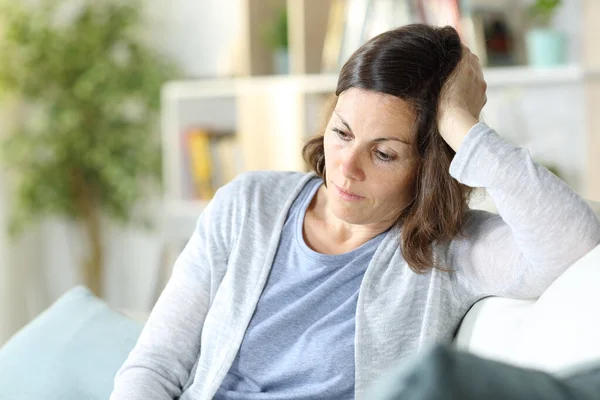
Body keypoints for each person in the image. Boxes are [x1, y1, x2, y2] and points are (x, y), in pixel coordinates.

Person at [110, 24, 600, 400]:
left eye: (383, 153)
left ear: (428, 166)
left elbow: (575, 246)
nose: (346, 167)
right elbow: (155, 365)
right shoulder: (246, 205)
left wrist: (460, 122)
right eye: (342, 133)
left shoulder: (451, 250)